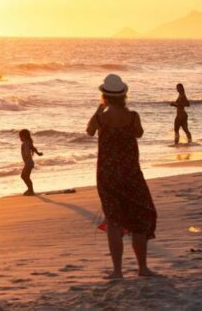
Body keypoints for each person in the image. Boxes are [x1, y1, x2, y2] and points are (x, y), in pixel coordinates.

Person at [86, 74, 157, 279]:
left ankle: (117, 270)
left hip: (107, 174)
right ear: (124, 96)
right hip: (131, 173)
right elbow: (139, 133)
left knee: (114, 221)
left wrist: (99, 109)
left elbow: (89, 131)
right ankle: (142, 267)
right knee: (139, 217)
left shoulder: (100, 119)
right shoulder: (133, 117)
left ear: (104, 96)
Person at [19, 129, 43, 196]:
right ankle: (30, 190)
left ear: (24, 136)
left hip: (28, 163)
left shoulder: (26, 143)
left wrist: (36, 153)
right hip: (28, 162)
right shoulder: (27, 142)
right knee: (26, 177)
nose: (20, 138)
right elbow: (33, 148)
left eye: (20, 136)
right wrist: (38, 153)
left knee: (24, 176)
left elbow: (32, 148)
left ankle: (31, 190)